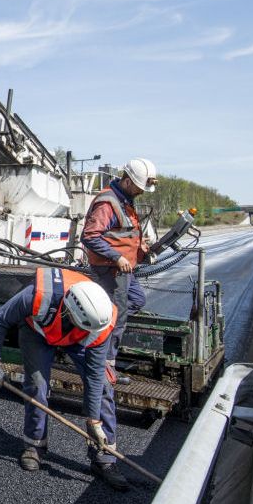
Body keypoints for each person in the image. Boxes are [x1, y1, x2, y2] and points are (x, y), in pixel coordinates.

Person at [0, 267, 129, 491]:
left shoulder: (101, 322)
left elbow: (94, 376)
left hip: (78, 339)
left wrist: (93, 422)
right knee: (37, 384)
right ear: (68, 311)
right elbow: (0, 319)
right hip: (37, 332)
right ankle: (34, 446)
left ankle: (104, 457)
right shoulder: (37, 295)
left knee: (103, 387)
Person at [81, 158, 158, 387]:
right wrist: (117, 257)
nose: (141, 192)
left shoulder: (125, 200)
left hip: (124, 270)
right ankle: (104, 369)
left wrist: (138, 247)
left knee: (136, 300)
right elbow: (90, 236)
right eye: (139, 187)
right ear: (127, 181)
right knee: (114, 317)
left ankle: (99, 353)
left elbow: (121, 234)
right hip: (110, 269)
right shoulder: (108, 203)